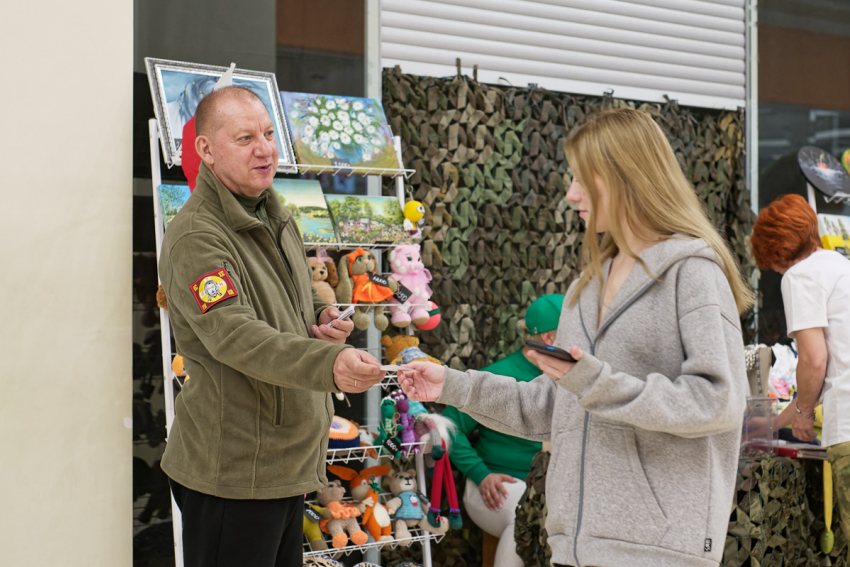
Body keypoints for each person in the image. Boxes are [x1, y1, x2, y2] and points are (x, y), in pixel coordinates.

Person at [399, 108, 752, 567]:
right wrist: (450, 385)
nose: (571, 195)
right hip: (573, 547)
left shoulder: (694, 273)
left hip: (656, 550)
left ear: (625, 177)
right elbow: (548, 408)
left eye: (583, 179)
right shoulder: (585, 288)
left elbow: (719, 401)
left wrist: (595, 383)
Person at [158, 86, 385, 567]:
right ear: (206, 151)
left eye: (267, 133)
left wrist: (317, 323)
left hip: (285, 462)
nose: (265, 148)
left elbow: (279, 313)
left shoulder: (274, 214)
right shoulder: (198, 236)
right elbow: (236, 336)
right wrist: (329, 361)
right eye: (244, 138)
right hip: (236, 472)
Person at [750, 194, 850, 543]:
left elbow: (813, 359)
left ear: (776, 252)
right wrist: (775, 424)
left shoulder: (800, 275)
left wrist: (804, 415)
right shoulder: (840, 266)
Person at [443, 294, 563, 567]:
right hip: (497, 485)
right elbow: (446, 428)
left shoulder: (574, 376)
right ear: (549, 338)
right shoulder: (500, 375)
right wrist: (481, 474)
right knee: (524, 515)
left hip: (550, 487)